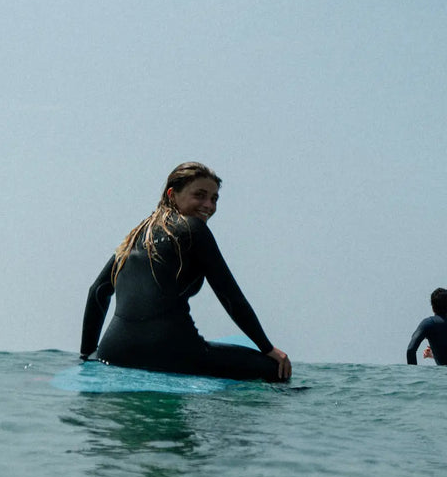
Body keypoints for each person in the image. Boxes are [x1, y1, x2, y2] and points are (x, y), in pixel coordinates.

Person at [80, 162, 291, 382]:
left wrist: (87, 355)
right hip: (173, 353)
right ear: (172, 195)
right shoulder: (194, 228)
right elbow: (230, 296)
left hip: (114, 352)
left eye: (214, 198)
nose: (208, 205)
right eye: (200, 195)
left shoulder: (139, 235)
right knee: (274, 369)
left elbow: (98, 291)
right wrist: (267, 348)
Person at [406, 288, 447, 365]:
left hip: (445, 375)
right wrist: (435, 353)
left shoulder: (429, 323)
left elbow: (411, 350)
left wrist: (412, 374)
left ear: (432, 306)